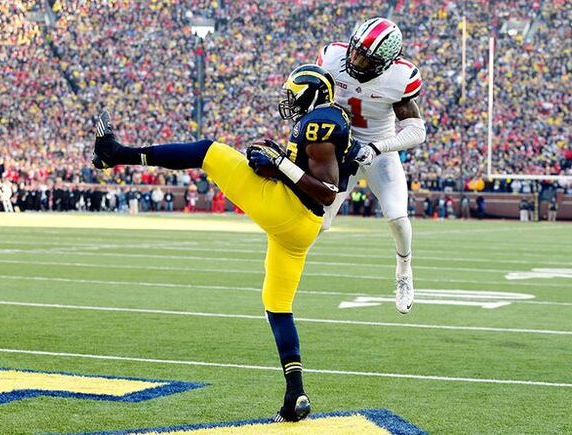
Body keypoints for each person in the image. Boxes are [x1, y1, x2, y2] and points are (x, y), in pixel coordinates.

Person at [91, 64, 356, 422]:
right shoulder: (323, 123)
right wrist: (277, 166)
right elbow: (308, 176)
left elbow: (326, 193)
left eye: (295, 93)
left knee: (209, 152)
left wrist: (279, 163)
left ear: (312, 95)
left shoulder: (321, 122)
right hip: (298, 228)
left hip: (292, 210)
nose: (289, 100)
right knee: (276, 304)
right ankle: (295, 392)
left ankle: (116, 153)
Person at [317, 17, 426, 314]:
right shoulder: (333, 57)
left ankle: (404, 270)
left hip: (380, 151)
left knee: (396, 216)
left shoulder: (399, 78)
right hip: (343, 152)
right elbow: (316, 99)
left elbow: (418, 131)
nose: (355, 59)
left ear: (385, 63)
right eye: (355, 50)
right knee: (318, 223)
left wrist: (378, 147)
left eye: (365, 57)